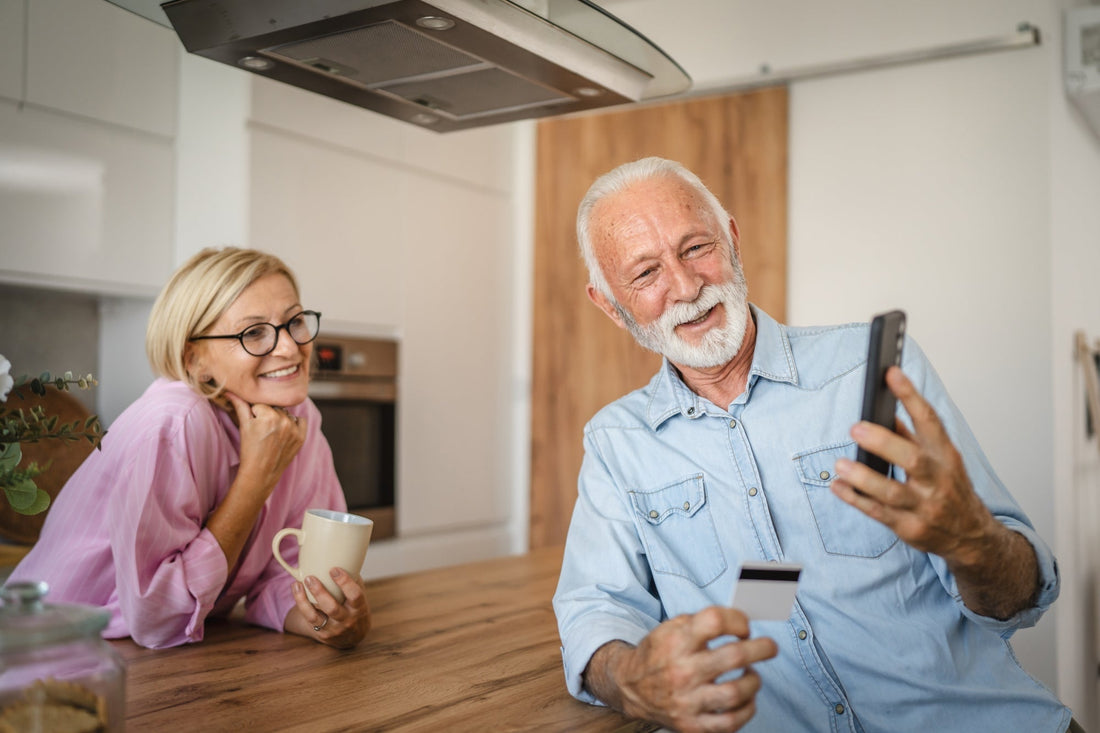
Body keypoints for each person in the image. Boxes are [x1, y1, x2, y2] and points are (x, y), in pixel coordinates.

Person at [552, 157, 1078, 732]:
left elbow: (1020, 598)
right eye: (646, 273)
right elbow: (595, 607)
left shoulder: (870, 370)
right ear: (609, 304)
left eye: (696, 247)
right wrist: (630, 677)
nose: (685, 286)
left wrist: (974, 542)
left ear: (731, 237)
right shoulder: (616, 442)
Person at [8, 247, 372, 650]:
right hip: (51, 647)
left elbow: (286, 575)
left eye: (295, 322)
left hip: (168, 656)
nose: (289, 348)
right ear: (194, 358)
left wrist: (327, 620)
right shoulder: (173, 423)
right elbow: (157, 618)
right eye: (253, 333)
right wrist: (255, 480)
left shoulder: (300, 418)